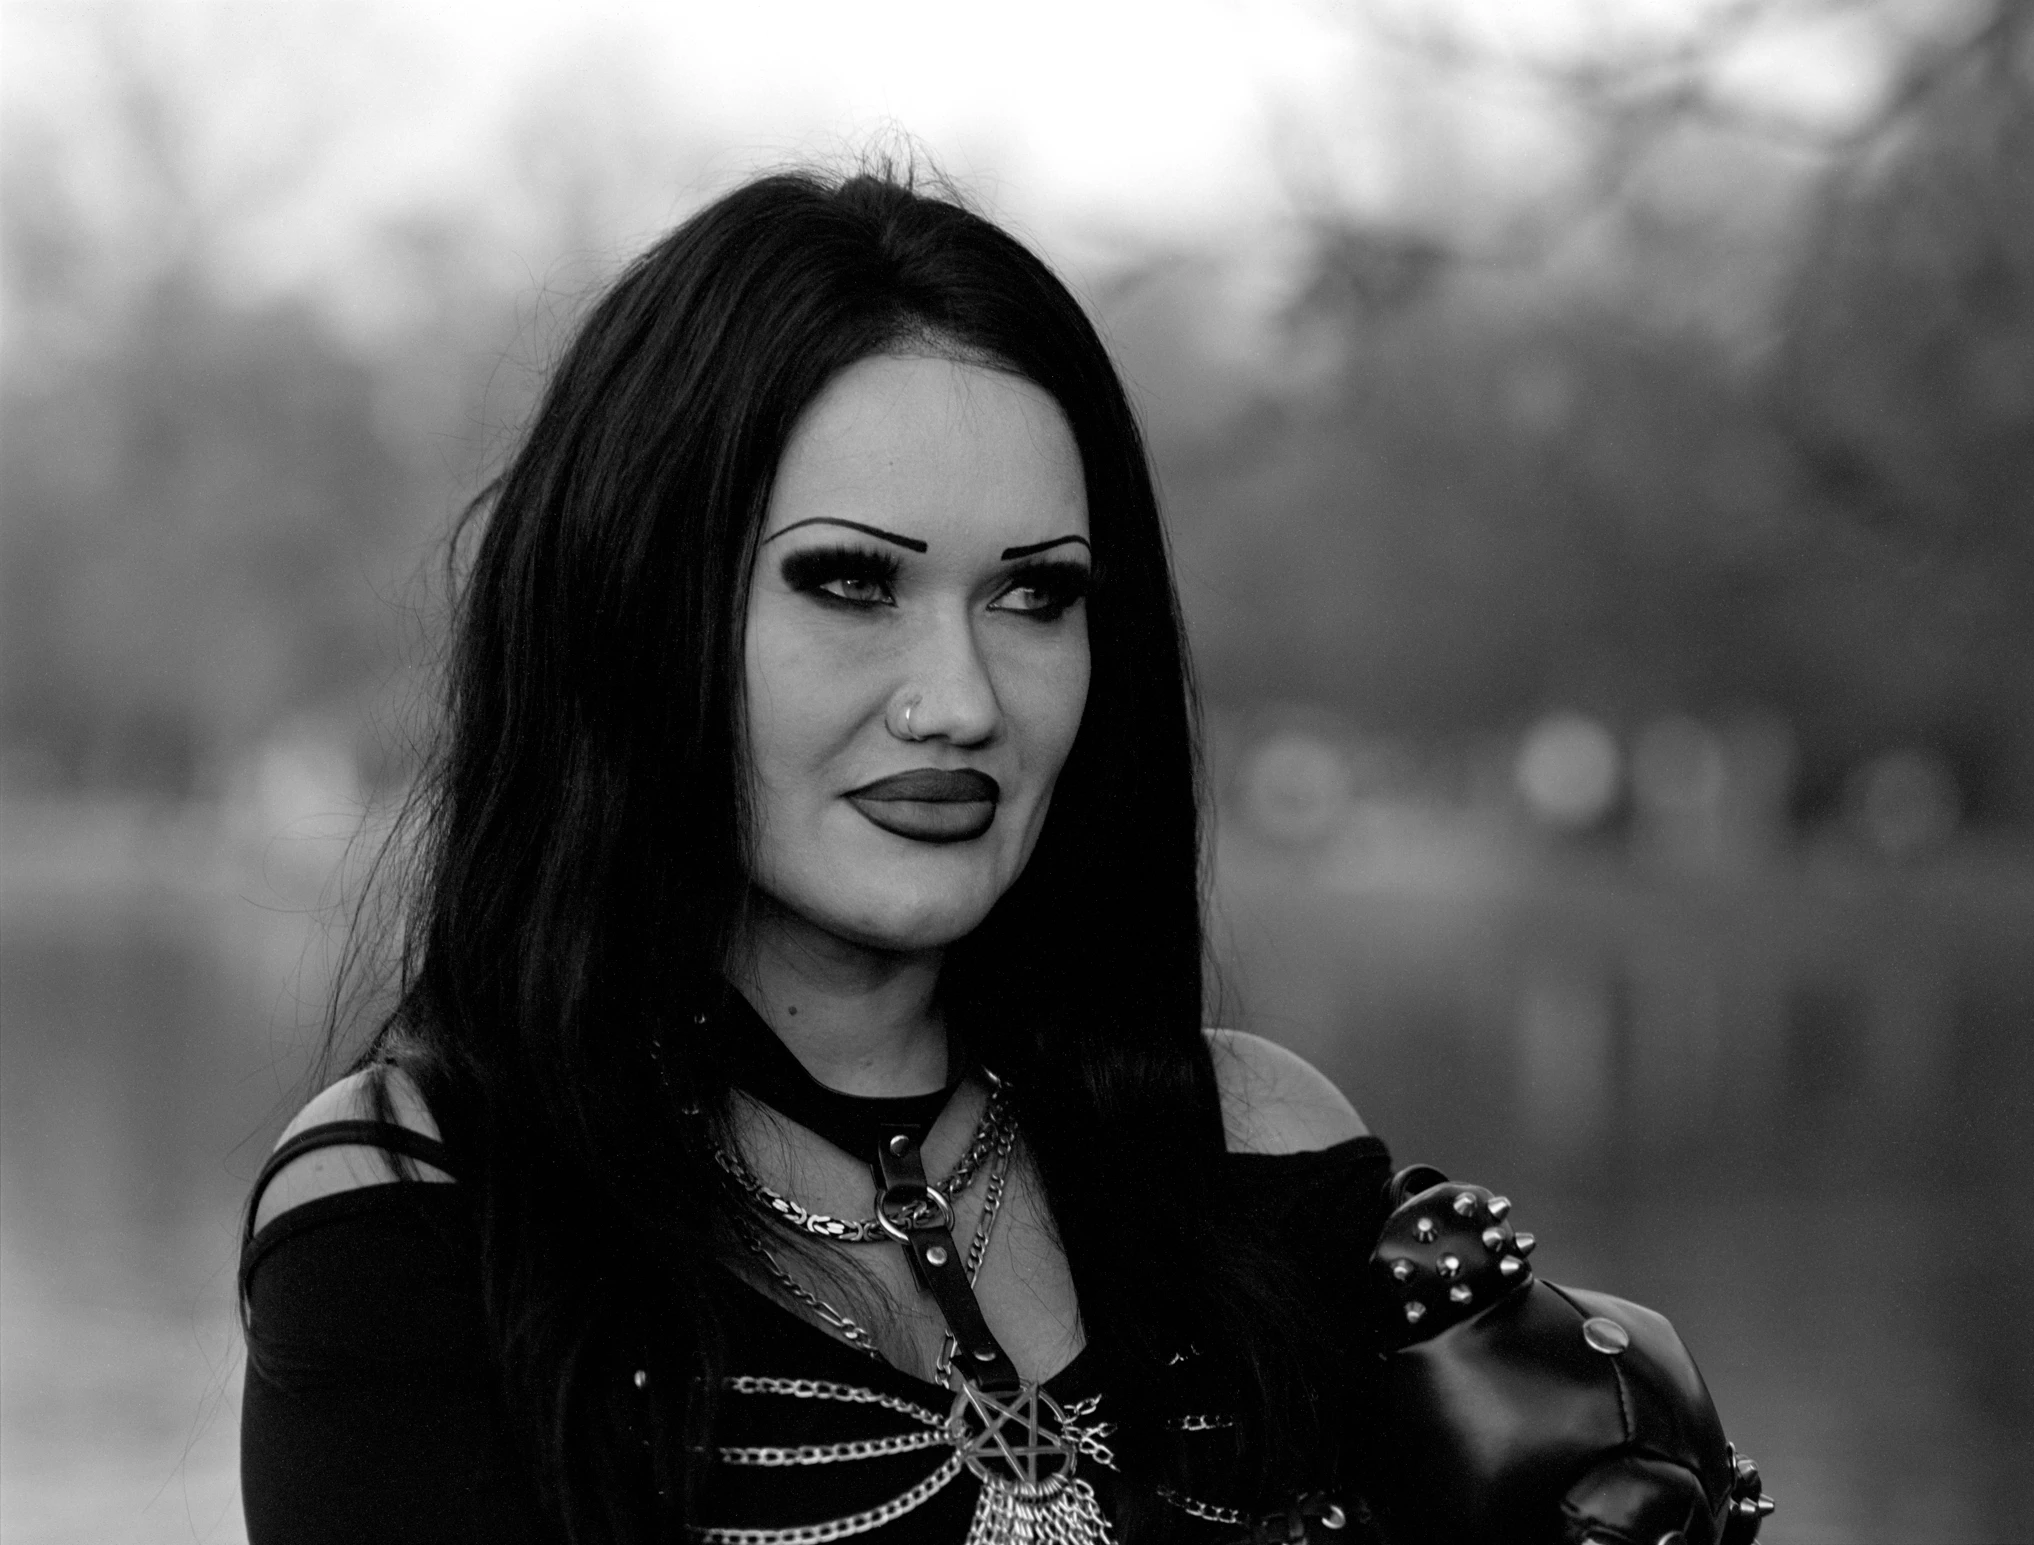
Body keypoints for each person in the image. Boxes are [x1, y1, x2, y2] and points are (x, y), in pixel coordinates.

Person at [238, 166, 1764, 1545]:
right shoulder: (424, 1202)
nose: (961, 699)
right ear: (633, 608)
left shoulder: (1254, 1148)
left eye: (1035, 596)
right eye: (850, 582)